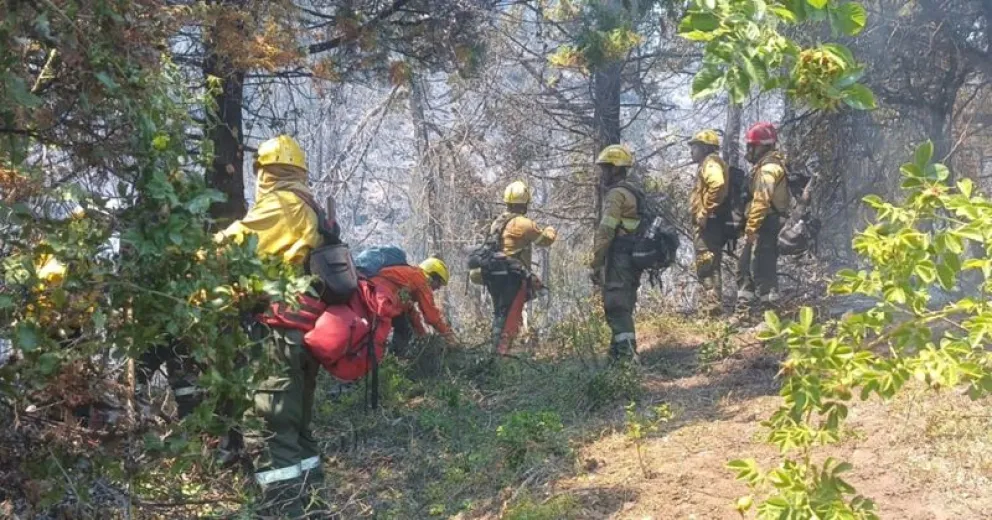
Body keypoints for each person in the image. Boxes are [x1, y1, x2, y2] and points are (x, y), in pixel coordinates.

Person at [215, 134, 325, 516]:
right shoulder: (311, 207)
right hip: (307, 333)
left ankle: (283, 511)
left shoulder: (280, 205)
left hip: (279, 333)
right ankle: (314, 508)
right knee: (297, 430)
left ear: (264, 172)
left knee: (268, 429)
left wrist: (183, 259)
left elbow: (232, 245)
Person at [483, 181, 556, 355]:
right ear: (525, 204)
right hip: (513, 277)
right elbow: (545, 240)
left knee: (500, 313)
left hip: (494, 275)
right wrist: (551, 230)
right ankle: (501, 356)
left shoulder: (497, 222)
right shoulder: (524, 223)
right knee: (511, 317)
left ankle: (494, 350)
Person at [589, 144, 643, 362]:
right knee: (624, 303)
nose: (602, 174)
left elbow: (606, 231)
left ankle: (627, 357)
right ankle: (616, 356)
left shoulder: (616, 195)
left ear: (616, 169)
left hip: (619, 258)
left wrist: (596, 261)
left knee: (616, 305)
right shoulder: (634, 192)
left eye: (605, 168)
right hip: (632, 258)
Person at [737, 122, 790, 315]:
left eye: (752, 146)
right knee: (744, 268)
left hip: (766, 225)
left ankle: (771, 317)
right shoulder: (765, 167)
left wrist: (751, 229)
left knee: (763, 270)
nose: (749, 150)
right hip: (762, 224)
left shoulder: (769, 169)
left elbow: (761, 200)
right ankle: (744, 315)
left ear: (764, 146)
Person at [373, 256, 455, 355]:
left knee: (404, 325)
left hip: (380, 297)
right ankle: (390, 362)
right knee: (398, 330)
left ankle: (393, 360)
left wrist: (423, 336)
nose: (438, 288)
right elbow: (432, 317)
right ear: (432, 275)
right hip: (379, 300)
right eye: (439, 283)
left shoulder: (411, 279)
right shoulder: (420, 279)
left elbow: (411, 313)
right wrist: (448, 336)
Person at [688, 130, 730, 317]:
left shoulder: (710, 163)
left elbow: (717, 184)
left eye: (694, 147)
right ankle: (711, 309)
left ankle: (711, 311)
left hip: (709, 225)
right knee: (709, 265)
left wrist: (705, 212)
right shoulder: (709, 163)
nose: (691, 151)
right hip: (712, 223)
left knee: (707, 265)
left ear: (705, 148)